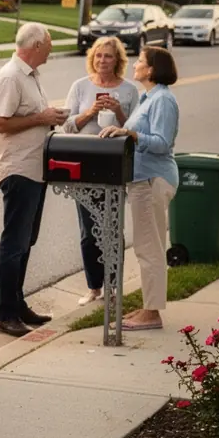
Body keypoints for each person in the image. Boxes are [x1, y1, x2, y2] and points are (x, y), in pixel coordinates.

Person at [0, 23, 68, 337]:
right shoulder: (9, 77)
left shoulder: (31, 76)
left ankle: (17, 305)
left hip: (36, 169)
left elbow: (32, 116)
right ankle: (3, 314)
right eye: (48, 43)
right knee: (13, 243)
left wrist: (49, 116)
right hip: (18, 170)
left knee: (26, 242)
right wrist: (41, 118)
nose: (51, 48)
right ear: (35, 45)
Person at [100, 45, 180, 331]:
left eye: (140, 61)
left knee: (151, 248)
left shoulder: (163, 101)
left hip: (153, 180)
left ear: (152, 69)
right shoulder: (149, 98)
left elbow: (161, 142)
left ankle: (153, 313)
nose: (134, 64)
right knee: (146, 246)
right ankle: (149, 306)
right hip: (142, 180)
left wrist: (131, 133)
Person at [60, 36, 140, 304]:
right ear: (92, 58)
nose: (103, 60)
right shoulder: (80, 87)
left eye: (108, 56)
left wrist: (118, 112)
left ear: (118, 60)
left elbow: (135, 131)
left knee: (112, 227)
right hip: (85, 164)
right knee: (88, 229)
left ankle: (114, 287)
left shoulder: (129, 91)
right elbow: (66, 126)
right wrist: (90, 112)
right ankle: (93, 286)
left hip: (114, 165)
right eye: (98, 56)